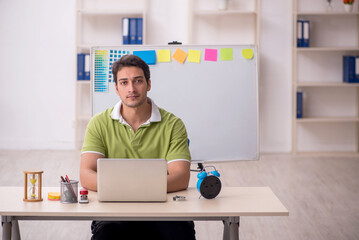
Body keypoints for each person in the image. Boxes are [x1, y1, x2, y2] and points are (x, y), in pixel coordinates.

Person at [80, 54, 196, 240]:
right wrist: (141, 188)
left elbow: (181, 177)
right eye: (124, 83)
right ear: (116, 88)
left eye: (138, 81)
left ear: (148, 84)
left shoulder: (173, 124)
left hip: (164, 211)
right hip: (113, 212)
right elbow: (86, 174)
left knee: (178, 233)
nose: (131, 89)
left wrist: (123, 187)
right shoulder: (98, 123)